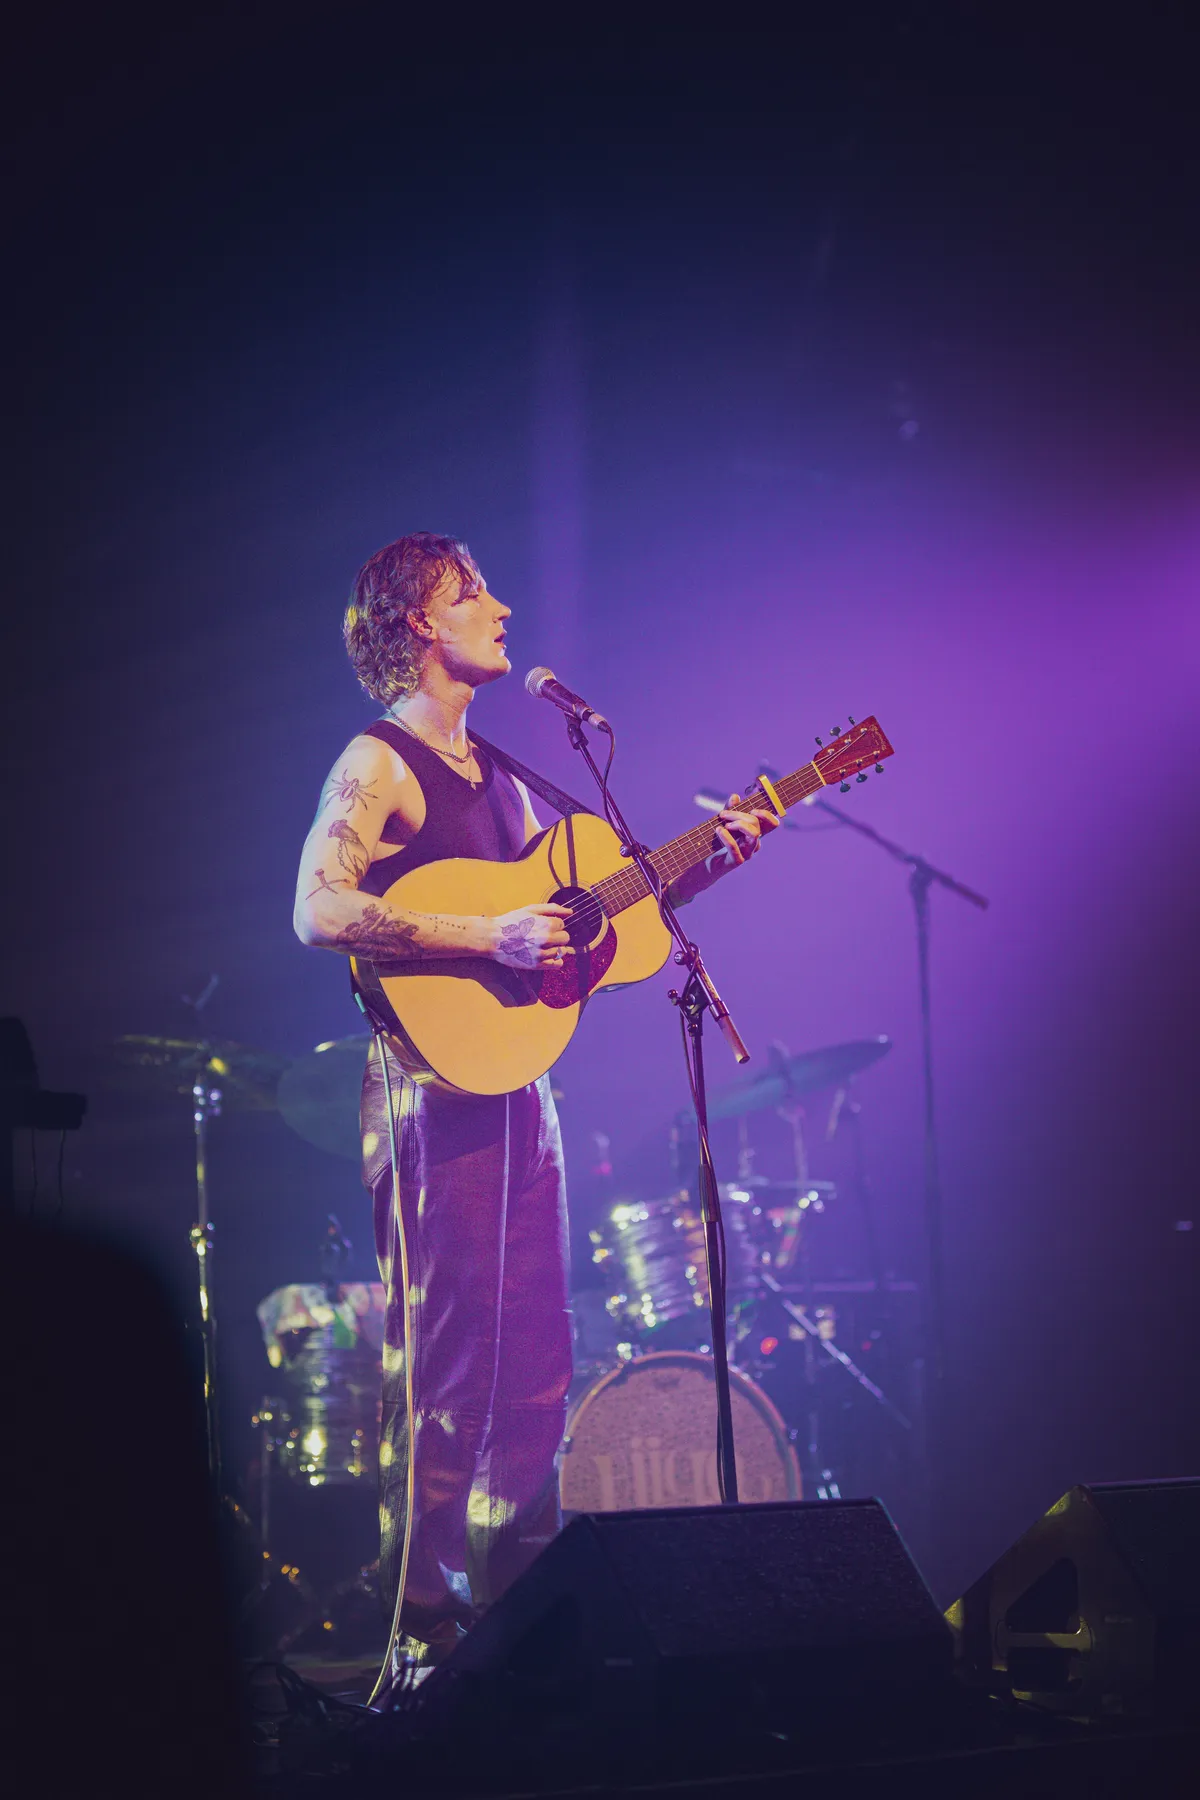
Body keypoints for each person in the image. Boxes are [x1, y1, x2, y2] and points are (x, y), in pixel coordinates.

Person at [293, 531, 778, 1679]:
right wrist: (487, 934)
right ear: (421, 622)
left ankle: (516, 1621)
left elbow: (593, 921)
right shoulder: (378, 761)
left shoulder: (508, 775)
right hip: (426, 1086)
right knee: (447, 1364)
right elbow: (317, 907)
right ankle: (419, 1629)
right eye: (474, 592)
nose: (500, 608)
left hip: (517, 1084)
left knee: (536, 1360)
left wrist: (710, 859)